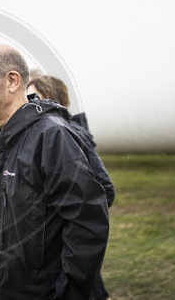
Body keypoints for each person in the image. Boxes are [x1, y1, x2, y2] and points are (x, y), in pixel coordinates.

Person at [0, 44, 109, 299]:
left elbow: (88, 223)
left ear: (12, 81)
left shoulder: (52, 136)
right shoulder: (3, 142)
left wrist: (67, 294)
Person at [27, 73, 115, 300]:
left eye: (33, 95)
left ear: (51, 97)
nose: (28, 102)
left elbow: (105, 188)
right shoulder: (41, 133)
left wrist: (70, 215)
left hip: (68, 242)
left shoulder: (70, 133)